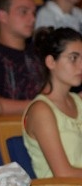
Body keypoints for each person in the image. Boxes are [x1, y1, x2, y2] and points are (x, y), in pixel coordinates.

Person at [24, 26, 82, 178]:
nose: (81, 65)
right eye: (73, 58)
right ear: (51, 62)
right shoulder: (41, 110)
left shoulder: (78, 101)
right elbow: (63, 173)